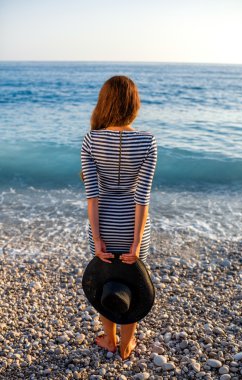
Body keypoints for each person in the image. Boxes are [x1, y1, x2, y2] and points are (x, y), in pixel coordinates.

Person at [81, 75, 157, 360]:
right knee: (131, 280)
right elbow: (142, 197)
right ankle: (127, 345)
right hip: (133, 226)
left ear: (105, 102)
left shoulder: (91, 139)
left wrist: (98, 237)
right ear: (133, 105)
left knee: (106, 279)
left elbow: (93, 195)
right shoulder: (148, 142)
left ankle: (110, 340)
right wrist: (136, 242)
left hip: (102, 223)